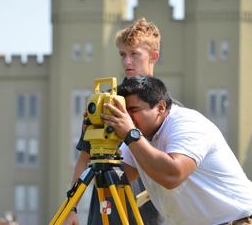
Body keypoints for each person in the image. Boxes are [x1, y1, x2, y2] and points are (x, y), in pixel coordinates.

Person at [99, 76, 252, 224]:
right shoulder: (137, 136)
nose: (127, 118)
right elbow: (112, 185)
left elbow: (172, 175)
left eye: (133, 110)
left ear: (160, 107)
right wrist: (105, 140)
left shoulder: (187, 123)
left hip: (237, 220)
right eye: (124, 112)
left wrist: (130, 134)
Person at [63, 18, 163, 225]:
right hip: (104, 212)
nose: (127, 61)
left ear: (153, 56)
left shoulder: (166, 107)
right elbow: (84, 158)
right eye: (123, 54)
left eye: (134, 54)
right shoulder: (103, 102)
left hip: (151, 215)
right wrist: (70, 208)